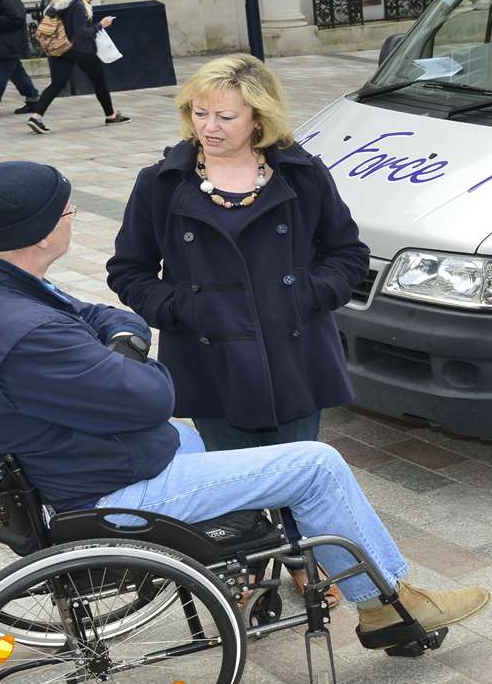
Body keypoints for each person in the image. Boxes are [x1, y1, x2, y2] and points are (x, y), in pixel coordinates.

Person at [0, 160, 490, 647]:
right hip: (107, 490)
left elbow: (102, 316)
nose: (72, 218)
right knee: (316, 464)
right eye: (68, 211)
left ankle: (272, 569)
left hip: (77, 462)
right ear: (42, 232)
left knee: (237, 450)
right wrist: (134, 357)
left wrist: (122, 342)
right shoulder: (28, 332)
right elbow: (153, 397)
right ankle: (387, 608)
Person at [107, 54, 369, 450]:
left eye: (226, 117)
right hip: (210, 360)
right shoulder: (160, 184)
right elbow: (129, 269)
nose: (209, 127)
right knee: (236, 493)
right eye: (200, 113)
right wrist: (182, 308)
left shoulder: (303, 174)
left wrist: (304, 294)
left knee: (297, 485)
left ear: (258, 118)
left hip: (295, 357)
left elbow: (348, 253)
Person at [24, 0, 126, 135]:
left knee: (56, 84)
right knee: (98, 81)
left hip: (59, 48)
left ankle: (36, 117)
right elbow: (81, 32)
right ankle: (111, 115)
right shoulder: (77, 3)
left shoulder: (54, 3)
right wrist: (102, 24)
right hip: (80, 49)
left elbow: (66, 23)